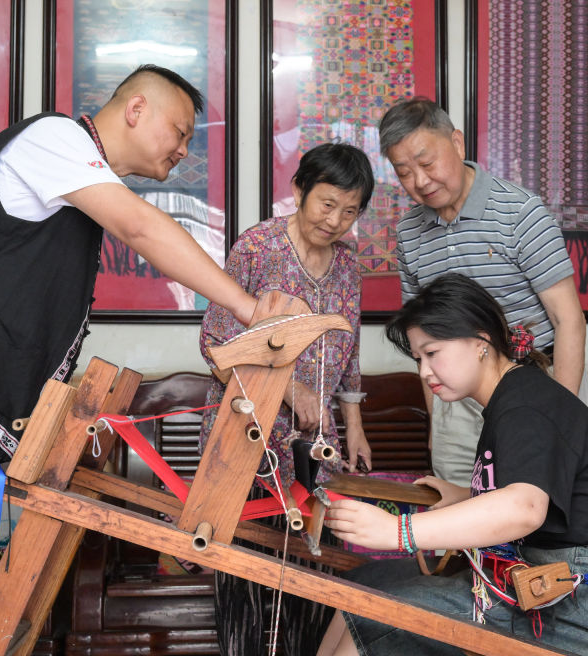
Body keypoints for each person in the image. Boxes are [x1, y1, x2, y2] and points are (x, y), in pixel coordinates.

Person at [0, 64, 257, 656]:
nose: (185, 150)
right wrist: (248, 308)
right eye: (181, 131)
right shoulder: (55, 138)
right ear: (136, 108)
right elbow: (140, 227)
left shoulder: (82, 188)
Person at [317, 272, 588, 656]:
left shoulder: (525, 405)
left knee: (376, 615)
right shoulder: (512, 398)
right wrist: (465, 495)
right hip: (550, 582)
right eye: (418, 359)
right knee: (362, 589)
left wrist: (398, 531)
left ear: (480, 342)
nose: (424, 372)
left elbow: (524, 508)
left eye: (432, 353)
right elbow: (537, 491)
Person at [198, 142, 375, 655]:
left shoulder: (348, 267)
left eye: (349, 211)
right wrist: (291, 388)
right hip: (246, 443)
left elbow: (350, 350)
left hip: (317, 450)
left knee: (313, 587)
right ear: (299, 190)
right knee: (248, 594)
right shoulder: (257, 248)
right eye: (327, 203)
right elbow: (215, 343)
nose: (335, 221)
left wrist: (355, 426)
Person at [381, 97, 588, 487]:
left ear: (457, 143)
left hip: (538, 383)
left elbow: (568, 320)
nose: (420, 182)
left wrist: (559, 416)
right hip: (458, 401)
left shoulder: (521, 212)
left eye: (427, 163)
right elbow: (422, 340)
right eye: (404, 173)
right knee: (463, 507)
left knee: (546, 506)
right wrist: (438, 423)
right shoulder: (409, 233)